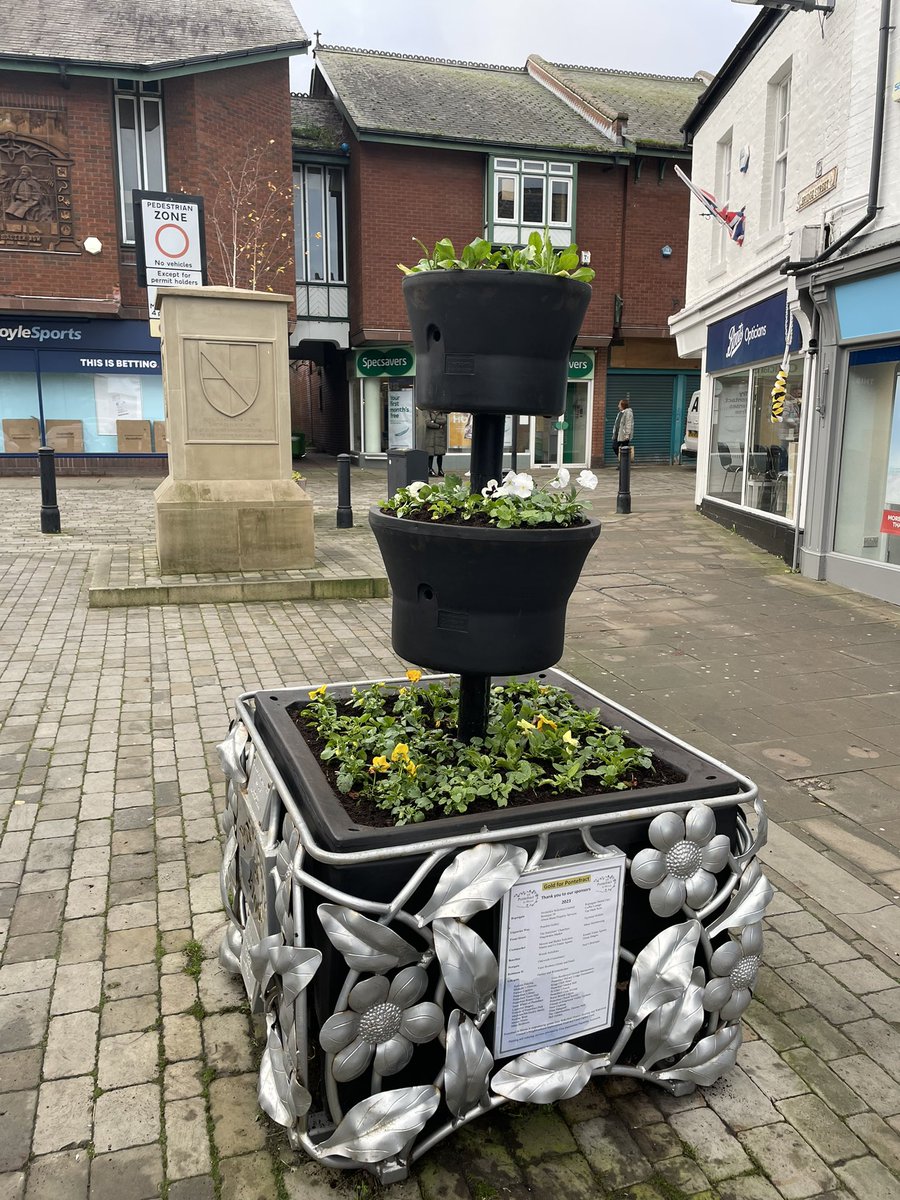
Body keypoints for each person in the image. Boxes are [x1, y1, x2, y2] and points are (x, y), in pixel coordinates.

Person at [424, 410, 448, 476]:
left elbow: (444, 421)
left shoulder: (441, 412)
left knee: (440, 454)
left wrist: (434, 421)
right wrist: (438, 426)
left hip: (439, 436)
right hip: (431, 437)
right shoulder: (428, 411)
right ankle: (430, 470)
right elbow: (428, 422)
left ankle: (440, 470)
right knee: (430, 454)